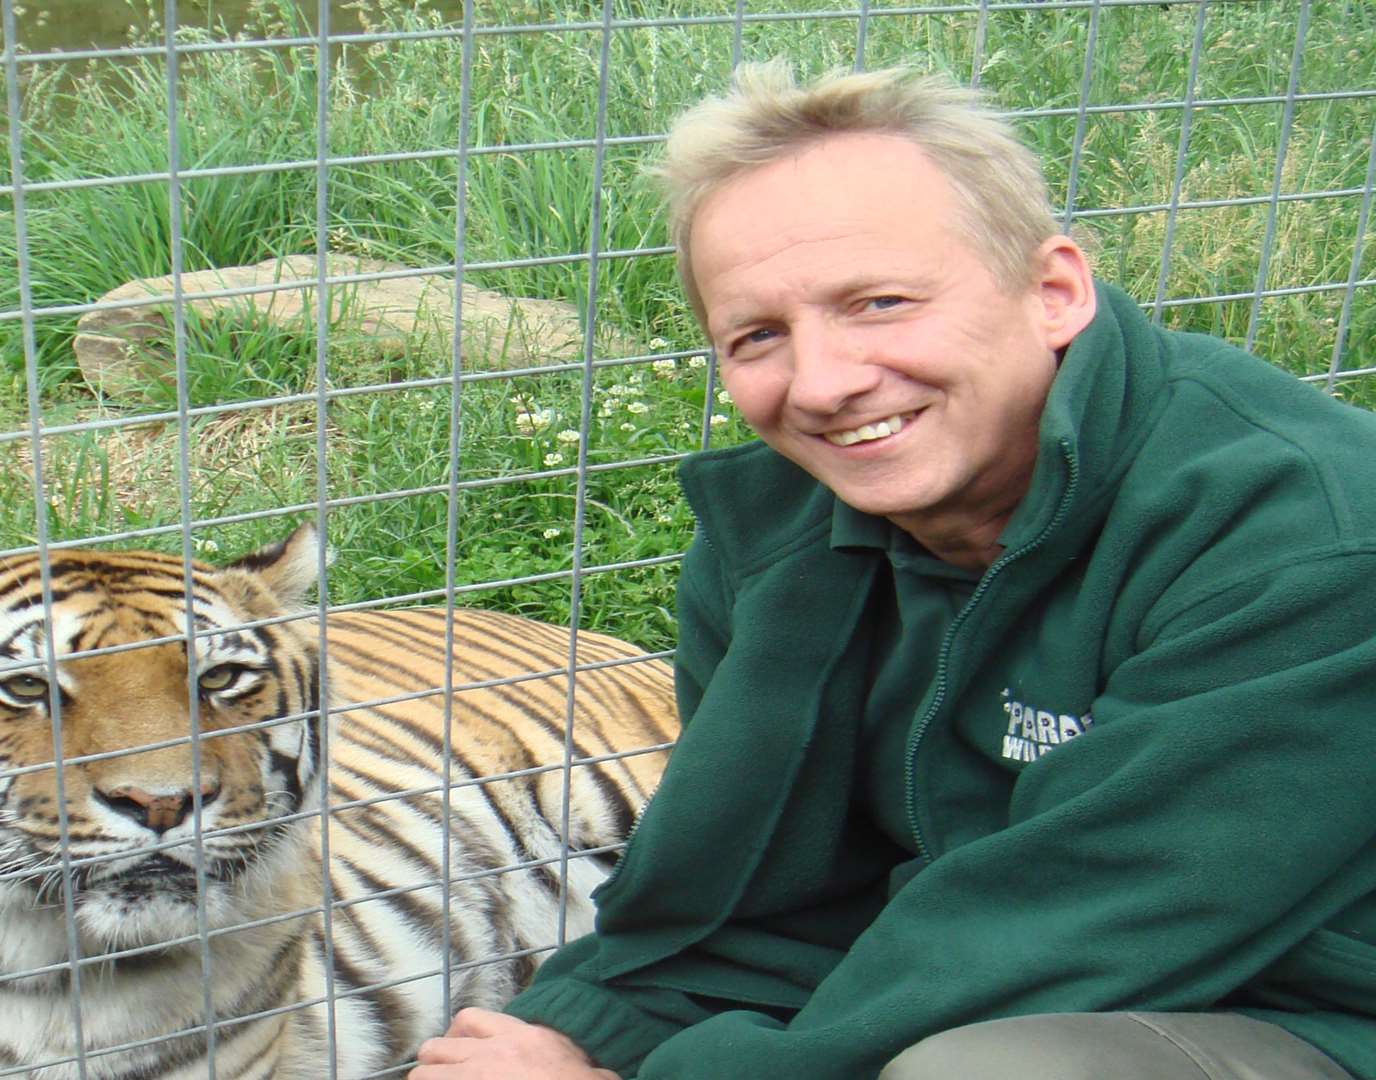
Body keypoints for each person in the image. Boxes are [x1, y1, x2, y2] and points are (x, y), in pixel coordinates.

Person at [412, 62, 1376, 1079]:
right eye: (758, 337)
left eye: (878, 302)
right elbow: (748, 890)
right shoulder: (777, 539)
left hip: (1309, 1010)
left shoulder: (1300, 537)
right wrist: (576, 1030)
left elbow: (1073, 926)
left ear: (1054, 293)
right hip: (1031, 975)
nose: (824, 382)